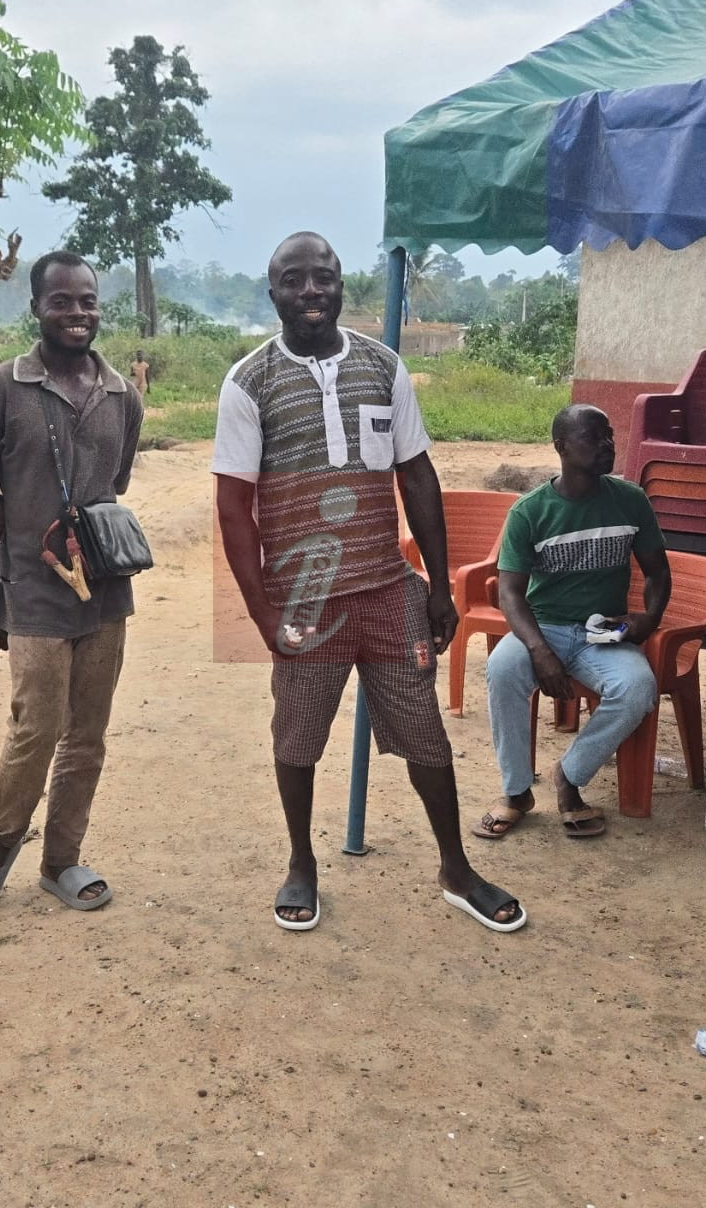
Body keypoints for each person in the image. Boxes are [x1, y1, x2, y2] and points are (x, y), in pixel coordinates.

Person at [212, 231, 525, 933]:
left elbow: (416, 474)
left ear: (341, 284)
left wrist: (439, 585)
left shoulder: (384, 368)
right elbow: (234, 508)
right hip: (305, 603)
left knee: (425, 735)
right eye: (293, 281)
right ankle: (302, 863)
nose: (311, 292)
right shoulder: (248, 383)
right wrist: (263, 615)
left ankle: (455, 867)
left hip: (388, 591)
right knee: (297, 739)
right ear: (274, 295)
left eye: (322, 278)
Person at [0, 251, 143, 915]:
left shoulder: (123, 395)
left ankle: (61, 857)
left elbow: (113, 487)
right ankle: (0, 844)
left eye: (86, 300)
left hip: (105, 591)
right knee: (37, 726)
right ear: (35, 308)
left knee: (88, 732)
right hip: (30, 590)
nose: (77, 313)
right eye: (61, 301)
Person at [475, 405, 670, 841]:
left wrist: (648, 618)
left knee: (638, 687)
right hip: (543, 627)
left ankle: (570, 775)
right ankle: (517, 791)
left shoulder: (630, 500)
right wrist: (539, 650)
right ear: (561, 447)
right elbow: (509, 593)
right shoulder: (530, 511)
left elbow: (658, 572)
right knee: (503, 671)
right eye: (593, 437)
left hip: (602, 635)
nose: (607, 445)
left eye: (610, 436)